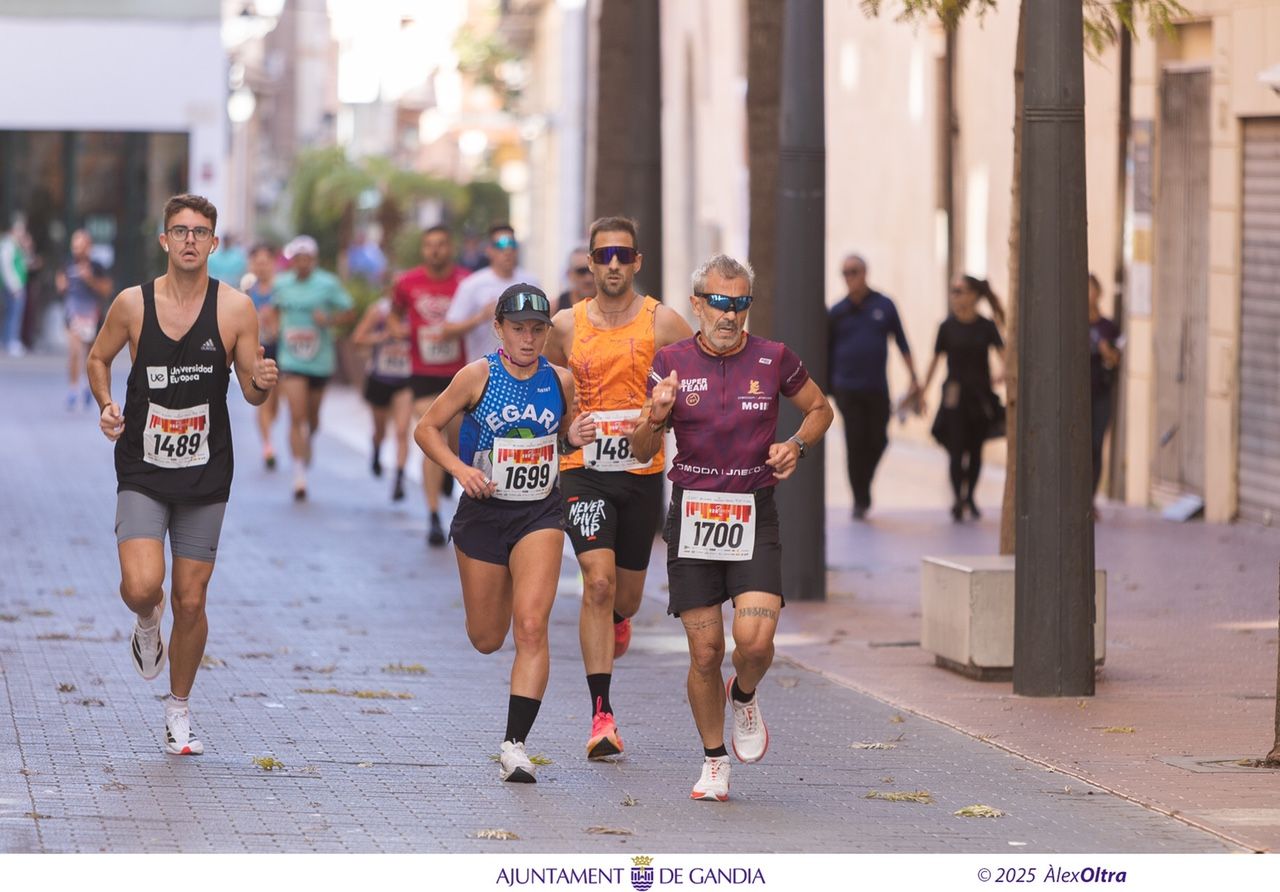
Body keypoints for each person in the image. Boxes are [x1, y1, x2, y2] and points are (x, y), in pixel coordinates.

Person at [630, 254, 833, 802]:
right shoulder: (669, 363)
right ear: (697, 304)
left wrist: (797, 445)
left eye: (739, 303)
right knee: (704, 653)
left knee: (756, 641)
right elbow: (640, 450)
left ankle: (744, 693)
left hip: (752, 511)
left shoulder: (773, 358)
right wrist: (656, 414)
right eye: (718, 302)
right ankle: (714, 761)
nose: (729, 314)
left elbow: (819, 408)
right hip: (693, 519)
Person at [86, 193, 278, 756]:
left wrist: (264, 380)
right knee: (145, 586)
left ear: (214, 243)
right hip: (143, 468)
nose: (190, 239)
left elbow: (250, 391)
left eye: (201, 231)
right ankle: (148, 621)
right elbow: (99, 358)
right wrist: (104, 403)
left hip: (205, 472)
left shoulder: (236, 309)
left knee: (192, 601)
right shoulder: (131, 304)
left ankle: (179, 710)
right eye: (180, 230)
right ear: (164, 240)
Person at [414, 284, 597, 783]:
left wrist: (571, 435)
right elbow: (425, 429)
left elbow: (563, 433)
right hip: (483, 513)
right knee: (487, 638)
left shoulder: (560, 381)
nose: (529, 338)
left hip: (540, 513)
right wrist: (459, 469)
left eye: (538, 329)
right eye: (519, 328)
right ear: (499, 329)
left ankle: (515, 746)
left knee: (532, 627)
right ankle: (508, 580)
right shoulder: (477, 376)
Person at [544, 216, 692, 761]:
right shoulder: (565, 324)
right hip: (584, 471)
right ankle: (601, 715)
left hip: (641, 473)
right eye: (601, 255)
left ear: (637, 262)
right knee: (597, 585)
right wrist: (564, 429)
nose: (611, 265)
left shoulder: (664, 322)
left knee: (624, 597)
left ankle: (621, 621)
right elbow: (544, 384)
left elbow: (697, 379)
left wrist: (672, 416)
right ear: (588, 261)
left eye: (621, 256)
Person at [392, 225, 470, 544]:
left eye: (441, 245)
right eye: (430, 246)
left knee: (454, 434)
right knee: (431, 434)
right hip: (423, 372)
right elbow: (395, 315)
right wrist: (400, 331)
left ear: (450, 248)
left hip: (460, 372)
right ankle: (435, 515)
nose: (435, 250)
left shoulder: (466, 282)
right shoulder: (407, 282)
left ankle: (448, 467)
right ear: (424, 250)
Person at [827, 254, 920, 519]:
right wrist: (826, 387)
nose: (849, 277)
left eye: (854, 271)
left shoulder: (885, 305)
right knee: (855, 441)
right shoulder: (837, 311)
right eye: (845, 273)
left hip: (877, 387)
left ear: (865, 272)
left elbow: (902, 343)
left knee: (878, 439)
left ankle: (864, 483)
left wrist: (915, 377)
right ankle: (860, 498)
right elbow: (826, 350)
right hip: (846, 388)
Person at [273, 235, 356, 501]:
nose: (302, 263)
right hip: (291, 360)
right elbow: (272, 308)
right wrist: (274, 327)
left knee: (313, 418)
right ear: (292, 261)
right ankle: (298, 474)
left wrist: (329, 320)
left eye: (307, 258)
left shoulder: (327, 283)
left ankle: (310, 438)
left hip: (319, 360)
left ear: (314, 260)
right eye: (297, 258)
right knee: (296, 415)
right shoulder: (281, 283)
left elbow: (350, 311)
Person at [922, 275, 1007, 521]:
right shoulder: (946, 327)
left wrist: (1003, 376)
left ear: (974, 295)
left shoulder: (986, 326)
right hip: (954, 394)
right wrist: (923, 393)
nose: (956, 295)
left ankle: (970, 496)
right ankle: (958, 498)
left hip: (980, 396)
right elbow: (935, 361)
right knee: (956, 449)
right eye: (953, 290)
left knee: (976, 449)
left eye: (960, 290)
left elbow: (1005, 358)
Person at [442, 224, 539, 369]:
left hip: (524, 373)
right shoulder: (473, 284)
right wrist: (480, 317)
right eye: (500, 245)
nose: (507, 250)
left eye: (512, 244)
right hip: (484, 374)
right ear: (489, 250)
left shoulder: (531, 282)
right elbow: (447, 331)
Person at [353, 294, 413, 499]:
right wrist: (381, 337)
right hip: (380, 378)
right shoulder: (378, 311)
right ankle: (377, 448)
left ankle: (399, 477)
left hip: (405, 380)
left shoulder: (416, 311)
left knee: (402, 430)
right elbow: (357, 338)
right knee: (380, 430)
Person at [57, 229, 113, 409]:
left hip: (91, 314)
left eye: (81, 245)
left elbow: (106, 289)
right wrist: (62, 285)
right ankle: (73, 389)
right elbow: (60, 284)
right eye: (75, 245)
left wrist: (89, 279)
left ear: (88, 247)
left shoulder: (97, 266)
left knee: (91, 355)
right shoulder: (67, 263)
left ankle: (89, 387)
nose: (77, 249)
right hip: (73, 312)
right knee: (74, 350)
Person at [1088, 273, 1123, 512]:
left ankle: (1089, 498)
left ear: (1099, 293)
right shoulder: (1069, 324)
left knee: (1095, 445)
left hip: (1100, 394)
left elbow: (1116, 359)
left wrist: (1106, 352)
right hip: (1076, 399)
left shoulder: (1108, 327)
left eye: (1090, 289)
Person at [245, 243, 282, 469]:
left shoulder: (282, 291)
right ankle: (268, 445)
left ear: (273, 263)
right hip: (259, 351)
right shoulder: (248, 294)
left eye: (265, 262)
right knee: (263, 401)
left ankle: (269, 434)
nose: (261, 267)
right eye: (257, 263)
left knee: (276, 403)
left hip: (282, 351)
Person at [1, 218, 30, 356]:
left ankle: (8, 340)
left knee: (12, 314)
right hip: (14, 287)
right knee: (13, 315)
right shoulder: (8, 245)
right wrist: (14, 287)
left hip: (16, 285)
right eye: (20, 231)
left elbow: (24, 262)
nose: (22, 234)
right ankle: (10, 341)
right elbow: (7, 267)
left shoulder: (15, 245)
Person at [556, 246, 595, 312]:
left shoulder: (611, 306)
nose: (588, 279)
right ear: (569, 274)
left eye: (592, 271)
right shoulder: (555, 308)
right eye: (581, 271)